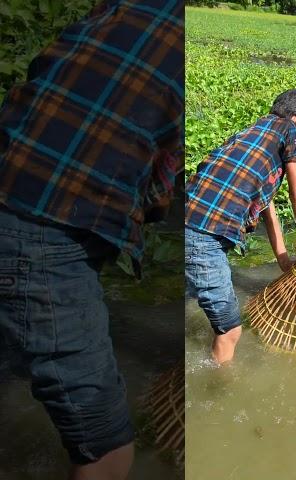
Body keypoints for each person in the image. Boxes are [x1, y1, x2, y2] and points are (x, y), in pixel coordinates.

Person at [0, 1, 183, 478]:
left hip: (13, 183)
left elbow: (41, 75)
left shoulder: (124, 8)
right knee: (107, 449)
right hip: (43, 229)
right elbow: (160, 188)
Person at [185, 89, 296, 365]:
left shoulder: (252, 134)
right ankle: (221, 391)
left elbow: (267, 207)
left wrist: (283, 258)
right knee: (231, 331)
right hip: (203, 237)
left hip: (187, 222)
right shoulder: (288, 130)